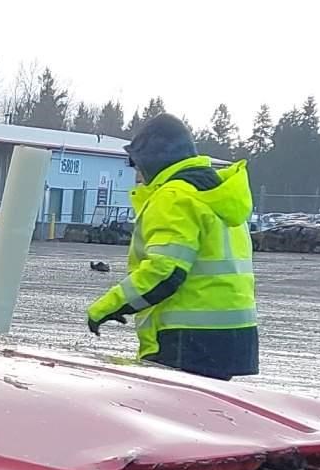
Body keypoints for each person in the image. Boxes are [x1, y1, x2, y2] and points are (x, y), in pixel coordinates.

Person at [86, 113, 259, 378]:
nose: (138, 176)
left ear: (153, 161)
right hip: (234, 337)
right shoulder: (217, 193)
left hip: (186, 339)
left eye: (138, 166)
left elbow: (165, 270)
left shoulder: (174, 196)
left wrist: (108, 306)